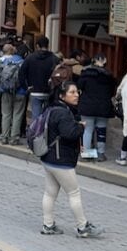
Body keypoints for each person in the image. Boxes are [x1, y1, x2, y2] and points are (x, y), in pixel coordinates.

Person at [39, 81, 103, 238]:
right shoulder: (63, 113)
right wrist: (81, 127)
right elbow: (69, 133)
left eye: (77, 92)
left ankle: (48, 225)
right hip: (61, 160)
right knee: (74, 192)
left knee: (50, 192)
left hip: (48, 157)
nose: (76, 95)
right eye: (72, 92)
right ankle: (82, 227)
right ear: (62, 95)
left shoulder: (52, 108)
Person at [77, 53, 117, 161]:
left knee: (88, 130)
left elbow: (79, 86)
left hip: (87, 105)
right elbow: (112, 91)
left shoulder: (86, 73)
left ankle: (86, 154)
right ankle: (100, 154)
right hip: (104, 106)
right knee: (101, 130)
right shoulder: (109, 76)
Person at [21, 36, 58, 122]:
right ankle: (45, 132)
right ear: (48, 45)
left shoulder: (30, 58)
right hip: (49, 90)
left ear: (37, 45)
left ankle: (35, 133)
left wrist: (26, 87)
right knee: (47, 115)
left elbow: (22, 73)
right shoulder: (53, 58)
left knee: (35, 115)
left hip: (34, 89)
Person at [0, 43, 26, 145]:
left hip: (6, 90)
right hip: (20, 92)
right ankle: (14, 138)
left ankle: (4, 137)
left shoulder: (5, 61)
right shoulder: (23, 62)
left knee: (6, 114)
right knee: (17, 114)